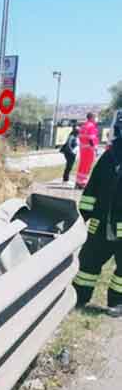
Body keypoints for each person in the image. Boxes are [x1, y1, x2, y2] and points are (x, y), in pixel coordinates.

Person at [72, 132, 122, 317]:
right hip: (101, 223)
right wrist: (82, 216)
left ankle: (117, 302)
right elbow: (93, 187)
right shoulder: (110, 156)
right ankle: (79, 296)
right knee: (88, 262)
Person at [75, 112, 100, 189]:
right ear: (92, 118)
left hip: (83, 149)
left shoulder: (83, 126)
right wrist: (95, 148)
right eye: (96, 117)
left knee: (82, 165)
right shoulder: (91, 126)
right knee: (87, 166)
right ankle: (82, 183)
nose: (96, 119)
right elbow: (91, 139)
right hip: (89, 149)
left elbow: (80, 137)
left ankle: (78, 182)